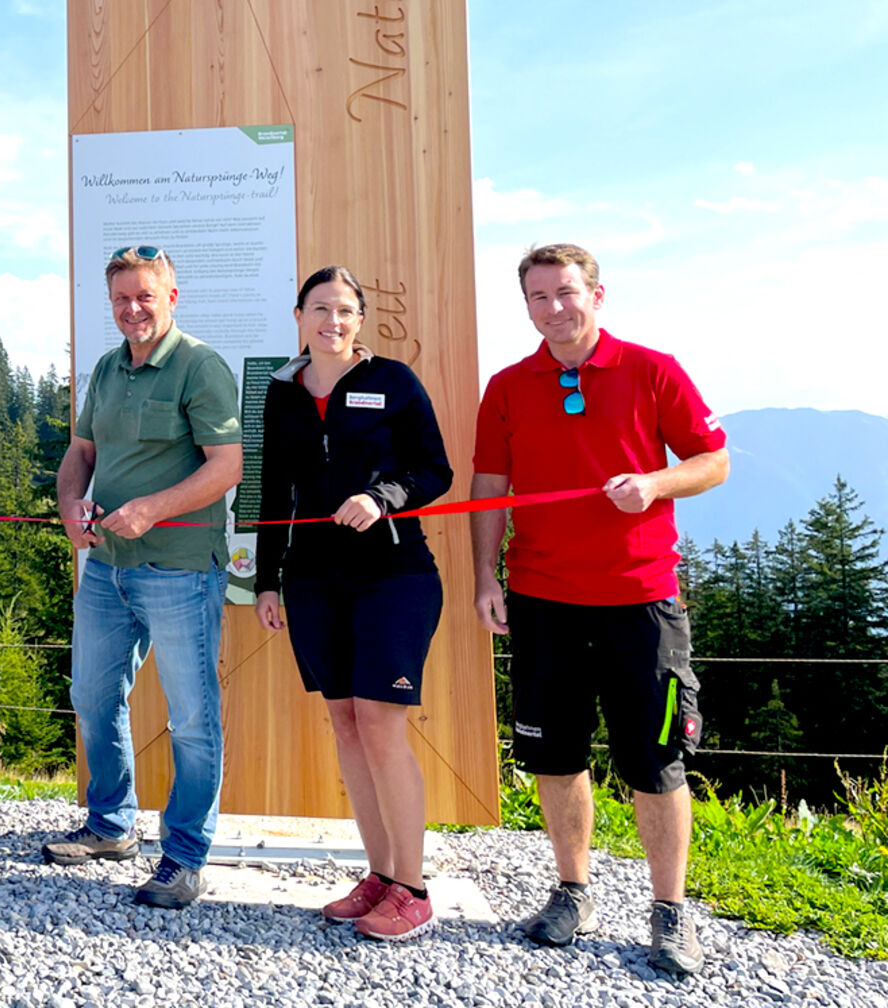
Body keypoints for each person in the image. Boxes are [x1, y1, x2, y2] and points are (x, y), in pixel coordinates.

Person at [471, 243, 727, 975]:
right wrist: (485, 574)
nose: (554, 308)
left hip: (641, 600)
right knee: (555, 755)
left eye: (566, 292)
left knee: (656, 761)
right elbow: (489, 485)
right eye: (539, 296)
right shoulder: (508, 386)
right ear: (526, 305)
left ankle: (670, 910)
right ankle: (572, 891)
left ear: (597, 294)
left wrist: (654, 484)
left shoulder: (652, 370)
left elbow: (714, 460)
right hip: (541, 599)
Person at [252, 266, 452, 940]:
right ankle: (380, 873)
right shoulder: (282, 393)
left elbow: (435, 469)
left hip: (393, 575)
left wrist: (381, 497)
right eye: (319, 309)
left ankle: (413, 889)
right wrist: (267, 580)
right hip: (313, 579)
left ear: (360, 319)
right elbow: (274, 492)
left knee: (380, 722)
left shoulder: (393, 381)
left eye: (343, 310)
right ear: (299, 317)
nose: (331, 322)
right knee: (345, 723)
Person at [42, 246, 242, 909]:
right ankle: (111, 826)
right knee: (93, 697)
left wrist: (152, 509)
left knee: (191, 718)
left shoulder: (200, 366)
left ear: (171, 298)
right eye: (122, 299)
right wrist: (70, 505)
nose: (133, 309)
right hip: (107, 568)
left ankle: (185, 856)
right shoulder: (106, 368)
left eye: (145, 297)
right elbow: (82, 452)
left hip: (180, 570)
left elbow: (226, 466)